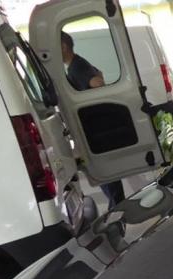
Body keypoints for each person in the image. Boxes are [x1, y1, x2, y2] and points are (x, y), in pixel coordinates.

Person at [60, 31, 125, 210]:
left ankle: (117, 215)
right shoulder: (77, 64)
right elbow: (99, 74)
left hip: (95, 133)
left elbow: (97, 82)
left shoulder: (77, 67)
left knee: (108, 180)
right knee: (109, 182)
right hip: (94, 131)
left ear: (63, 46)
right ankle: (117, 213)